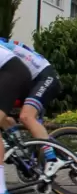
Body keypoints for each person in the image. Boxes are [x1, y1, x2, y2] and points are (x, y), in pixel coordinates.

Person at [0, 39, 63, 181]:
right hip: (26, 82)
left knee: (26, 117)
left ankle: (52, 160)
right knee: (5, 117)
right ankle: (19, 147)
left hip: (44, 76)